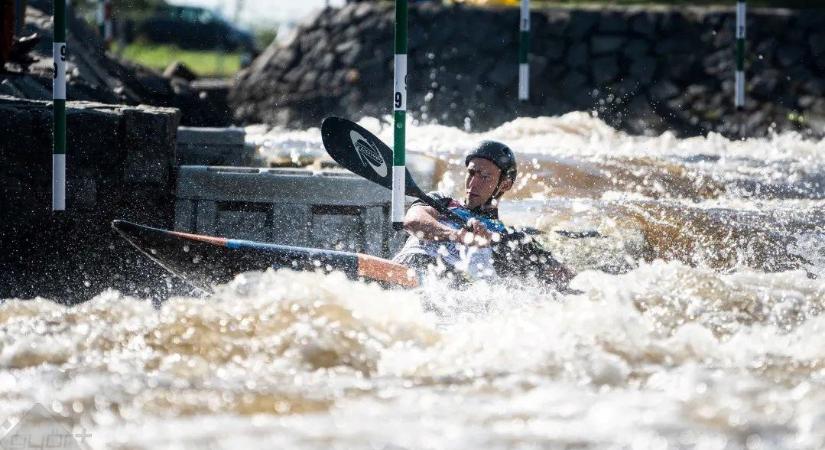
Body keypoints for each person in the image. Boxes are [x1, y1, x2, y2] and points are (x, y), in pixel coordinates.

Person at [392, 140, 575, 289]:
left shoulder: (512, 239)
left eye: (485, 176)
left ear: (505, 185)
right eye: (471, 173)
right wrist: (458, 236)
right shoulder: (441, 202)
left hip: (451, 291)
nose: (473, 183)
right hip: (406, 268)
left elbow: (565, 278)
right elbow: (412, 221)